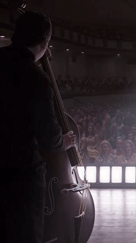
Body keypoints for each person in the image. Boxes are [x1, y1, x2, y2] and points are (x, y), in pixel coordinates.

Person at [0, 11, 76, 243]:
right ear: (44, 42)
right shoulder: (36, 78)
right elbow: (49, 138)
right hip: (21, 175)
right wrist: (64, 140)